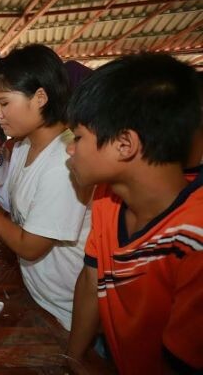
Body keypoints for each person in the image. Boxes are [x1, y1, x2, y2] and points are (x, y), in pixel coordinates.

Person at [65, 53, 203, 374]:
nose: (71, 150)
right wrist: (73, 359)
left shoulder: (193, 239)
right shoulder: (107, 196)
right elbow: (91, 277)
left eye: (78, 137)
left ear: (125, 145)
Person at [0, 44, 91, 332]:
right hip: (38, 294)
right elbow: (5, 199)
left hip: (65, 311)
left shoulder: (65, 160)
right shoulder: (23, 145)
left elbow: (30, 246)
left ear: (40, 97)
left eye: (4, 103)